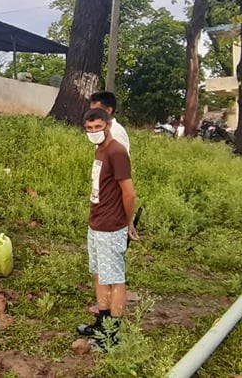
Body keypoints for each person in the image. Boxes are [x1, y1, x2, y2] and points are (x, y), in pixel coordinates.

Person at [76, 108, 138, 351]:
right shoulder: (100, 149)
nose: (93, 132)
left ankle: (113, 336)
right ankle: (102, 323)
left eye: (98, 127)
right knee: (99, 274)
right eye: (89, 128)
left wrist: (127, 221)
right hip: (96, 222)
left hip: (111, 226)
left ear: (109, 125)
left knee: (115, 279)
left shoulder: (116, 151)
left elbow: (129, 192)